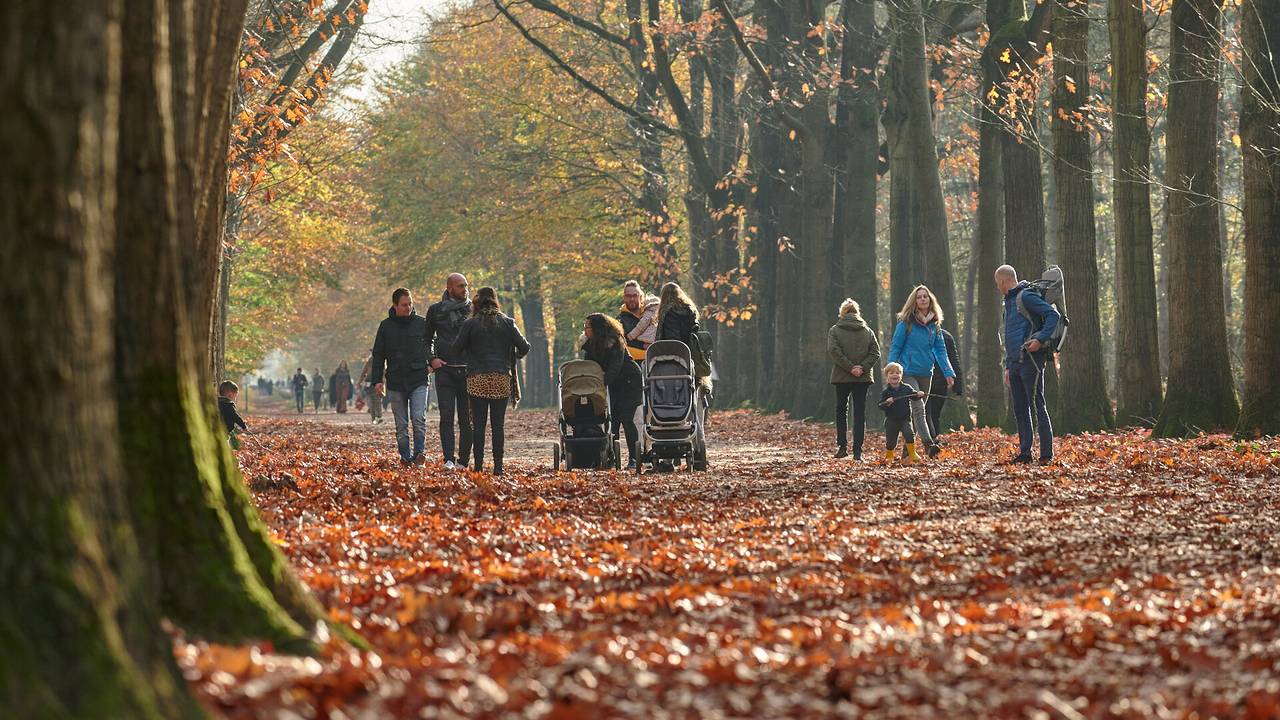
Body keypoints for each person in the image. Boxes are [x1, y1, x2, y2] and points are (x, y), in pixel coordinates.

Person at [452, 287, 530, 475]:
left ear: (477, 303)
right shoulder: (507, 322)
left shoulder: (470, 324)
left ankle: (478, 467)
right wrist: (513, 355)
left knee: (478, 425)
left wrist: (469, 353)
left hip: (477, 378)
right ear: (495, 301)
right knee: (498, 425)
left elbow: (456, 349)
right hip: (501, 378)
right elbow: (525, 347)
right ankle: (498, 467)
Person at [995, 264, 1060, 464]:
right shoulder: (1008, 303)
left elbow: (1053, 315)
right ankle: (1025, 453)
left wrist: (1039, 339)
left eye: (997, 283)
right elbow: (1008, 337)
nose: (998, 287)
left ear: (1003, 281)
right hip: (1014, 363)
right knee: (1020, 408)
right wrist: (1007, 365)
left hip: (1031, 360)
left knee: (1038, 404)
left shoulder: (1026, 297)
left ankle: (1046, 454)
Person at [886, 285, 955, 458]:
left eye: (925, 296)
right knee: (918, 409)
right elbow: (896, 346)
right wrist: (891, 369)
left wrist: (948, 372)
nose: (923, 299)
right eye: (919, 297)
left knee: (918, 412)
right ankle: (929, 444)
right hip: (907, 371)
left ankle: (907, 451)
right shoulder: (906, 322)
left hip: (926, 372)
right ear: (914, 302)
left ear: (930, 300)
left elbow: (940, 350)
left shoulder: (934, 325)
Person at [370, 287, 432, 466]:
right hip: (396, 381)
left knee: (419, 418)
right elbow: (378, 355)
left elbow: (432, 344)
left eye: (410, 304)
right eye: (404, 305)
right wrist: (377, 380)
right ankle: (405, 456)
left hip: (419, 378)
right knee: (402, 425)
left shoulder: (422, 323)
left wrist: (432, 362)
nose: (408, 307)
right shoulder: (385, 327)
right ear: (395, 306)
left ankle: (420, 454)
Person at [425, 273, 473, 470]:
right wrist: (432, 359)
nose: (465, 289)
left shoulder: (473, 309)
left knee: (466, 419)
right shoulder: (436, 310)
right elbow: (425, 339)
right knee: (446, 416)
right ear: (450, 288)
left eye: (466, 285)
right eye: (461, 286)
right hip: (445, 370)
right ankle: (448, 459)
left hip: (468, 371)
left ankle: (464, 460)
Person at [583, 313, 644, 468]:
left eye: (588, 327)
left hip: (629, 380)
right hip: (613, 383)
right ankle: (611, 458)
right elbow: (588, 365)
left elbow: (615, 367)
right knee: (612, 420)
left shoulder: (616, 341)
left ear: (597, 328)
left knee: (626, 418)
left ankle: (634, 458)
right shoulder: (591, 344)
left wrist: (601, 383)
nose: (585, 331)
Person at [827, 298, 880, 460]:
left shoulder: (835, 330)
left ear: (842, 312)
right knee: (859, 413)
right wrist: (861, 368)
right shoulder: (868, 331)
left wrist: (850, 367)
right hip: (862, 378)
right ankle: (858, 451)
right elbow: (875, 353)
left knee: (841, 410)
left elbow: (834, 351)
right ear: (857, 312)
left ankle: (842, 447)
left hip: (842, 376)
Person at [878, 362, 924, 463]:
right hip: (891, 420)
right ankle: (889, 455)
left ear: (901, 376)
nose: (895, 375)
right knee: (891, 439)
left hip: (905, 418)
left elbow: (914, 396)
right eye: (892, 373)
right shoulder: (886, 392)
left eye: (898, 373)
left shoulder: (906, 388)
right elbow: (880, 405)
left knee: (909, 434)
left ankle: (912, 453)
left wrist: (918, 394)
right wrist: (887, 402)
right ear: (887, 377)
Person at [925, 328, 964, 441]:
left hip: (938, 381)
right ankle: (933, 442)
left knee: (932, 415)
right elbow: (954, 360)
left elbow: (953, 359)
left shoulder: (946, 336)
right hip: (929, 380)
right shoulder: (946, 335)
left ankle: (934, 442)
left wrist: (958, 385)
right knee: (929, 415)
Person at [618, 280, 660, 362]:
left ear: (641, 297)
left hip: (657, 358)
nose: (632, 299)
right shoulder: (620, 321)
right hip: (635, 361)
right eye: (628, 296)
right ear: (624, 298)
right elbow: (622, 344)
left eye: (635, 295)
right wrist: (645, 346)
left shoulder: (653, 312)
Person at [655, 281, 699, 346]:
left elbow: (672, 339)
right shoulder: (690, 310)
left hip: (673, 351)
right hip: (690, 351)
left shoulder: (669, 313)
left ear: (664, 296)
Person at [218, 380, 248, 450]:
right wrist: (243, 426)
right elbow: (235, 416)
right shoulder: (228, 405)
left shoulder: (217, 402)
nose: (235, 398)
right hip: (224, 430)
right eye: (235, 396)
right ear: (230, 395)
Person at [357, 353, 383, 423]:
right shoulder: (368, 364)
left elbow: (384, 374)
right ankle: (374, 418)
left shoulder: (381, 364)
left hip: (378, 383)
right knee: (372, 401)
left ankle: (378, 416)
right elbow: (363, 373)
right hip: (369, 384)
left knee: (377, 401)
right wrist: (359, 382)